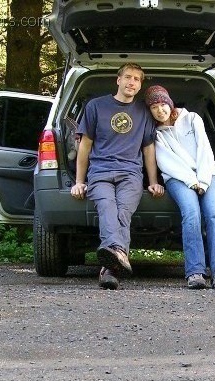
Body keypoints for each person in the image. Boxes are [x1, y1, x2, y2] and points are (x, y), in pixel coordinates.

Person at [71, 63, 164, 290]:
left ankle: (109, 269)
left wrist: (152, 181)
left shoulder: (143, 111)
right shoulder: (96, 106)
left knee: (123, 211)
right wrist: (79, 181)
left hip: (131, 173)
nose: (132, 82)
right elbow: (85, 146)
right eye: (128, 77)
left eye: (137, 79)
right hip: (100, 172)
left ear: (140, 85)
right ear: (118, 80)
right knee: (107, 207)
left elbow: (148, 149)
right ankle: (118, 256)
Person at [145, 85, 215, 290]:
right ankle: (195, 272)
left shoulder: (192, 118)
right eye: (154, 107)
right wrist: (190, 181)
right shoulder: (156, 134)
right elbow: (166, 162)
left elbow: (204, 150)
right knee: (191, 213)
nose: (160, 110)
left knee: (214, 214)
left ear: (170, 103)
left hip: (207, 172)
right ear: (149, 111)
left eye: (163, 104)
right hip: (178, 177)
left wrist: (202, 180)